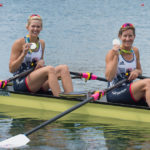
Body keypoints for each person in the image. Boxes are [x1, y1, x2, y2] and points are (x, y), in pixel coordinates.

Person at [9, 14, 73, 97]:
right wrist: (23, 54)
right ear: (27, 27)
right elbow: (11, 69)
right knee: (49, 69)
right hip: (20, 82)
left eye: (38, 27)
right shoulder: (19, 43)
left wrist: (41, 62)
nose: (35, 29)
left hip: (35, 82)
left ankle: (71, 98)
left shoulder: (42, 43)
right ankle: (60, 99)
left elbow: (40, 66)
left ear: (41, 28)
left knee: (64, 68)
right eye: (33, 26)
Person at [105, 23, 150, 106]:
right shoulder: (111, 53)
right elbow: (109, 77)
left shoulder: (135, 51)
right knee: (148, 83)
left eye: (130, 36)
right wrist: (116, 56)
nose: (127, 39)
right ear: (120, 37)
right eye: (125, 36)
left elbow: (140, 70)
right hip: (114, 92)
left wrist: (136, 71)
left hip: (128, 89)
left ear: (134, 37)